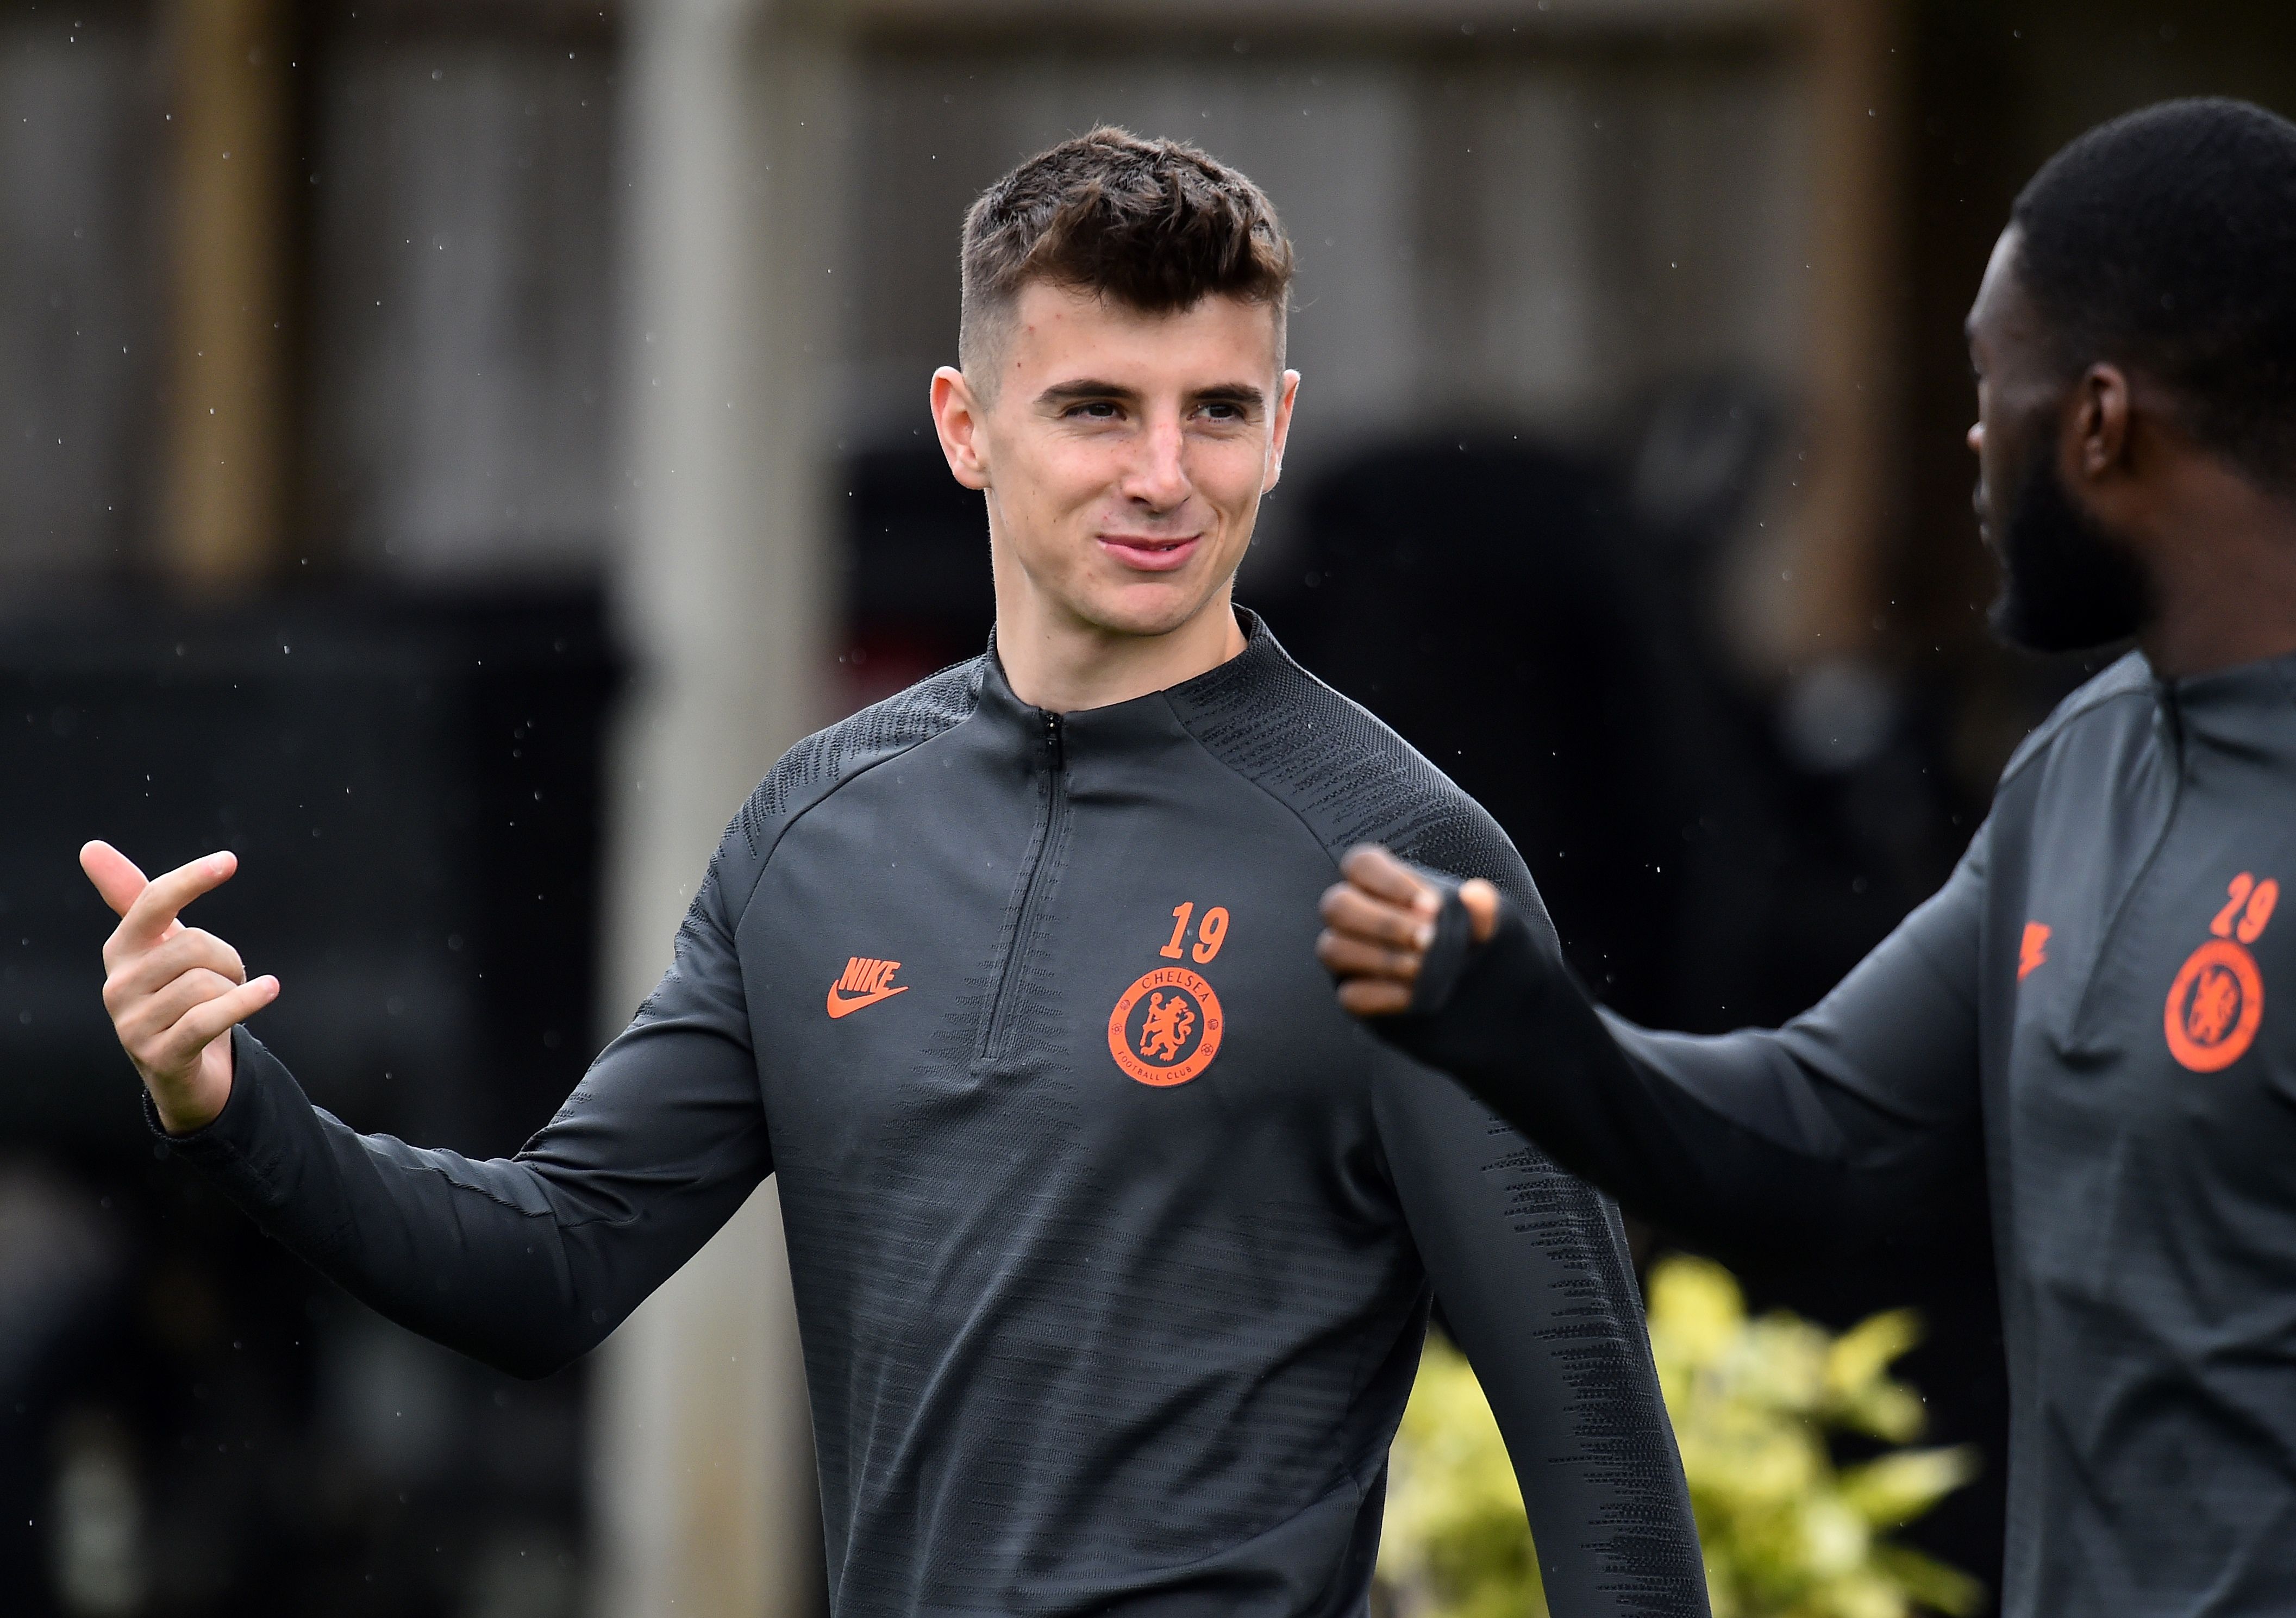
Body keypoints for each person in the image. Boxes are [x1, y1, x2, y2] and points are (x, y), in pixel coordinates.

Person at [84, 129, 1706, 1615]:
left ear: (1278, 428)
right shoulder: (817, 834)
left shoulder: (1405, 867)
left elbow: (1612, 1493)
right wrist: (229, 1104)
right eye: (1097, 408)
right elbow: (550, 1263)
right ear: (965, 427)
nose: (1165, 473)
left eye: (1216, 411)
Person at [1320, 98, 2296, 1616]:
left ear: (2100, 422)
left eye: (1993, 378)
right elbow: (1817, 1129)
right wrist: (1508, 1016)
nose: (1976, 440)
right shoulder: (2082, 768)